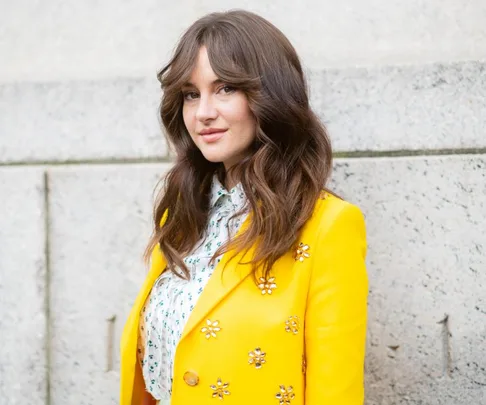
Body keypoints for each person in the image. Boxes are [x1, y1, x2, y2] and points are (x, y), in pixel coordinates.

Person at [120, 9, 368, 405]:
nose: (203, 113)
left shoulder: (328, 227)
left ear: (270, 96)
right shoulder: (182, 217)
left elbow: (335, 393)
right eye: (190, 94)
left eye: (225, 89)